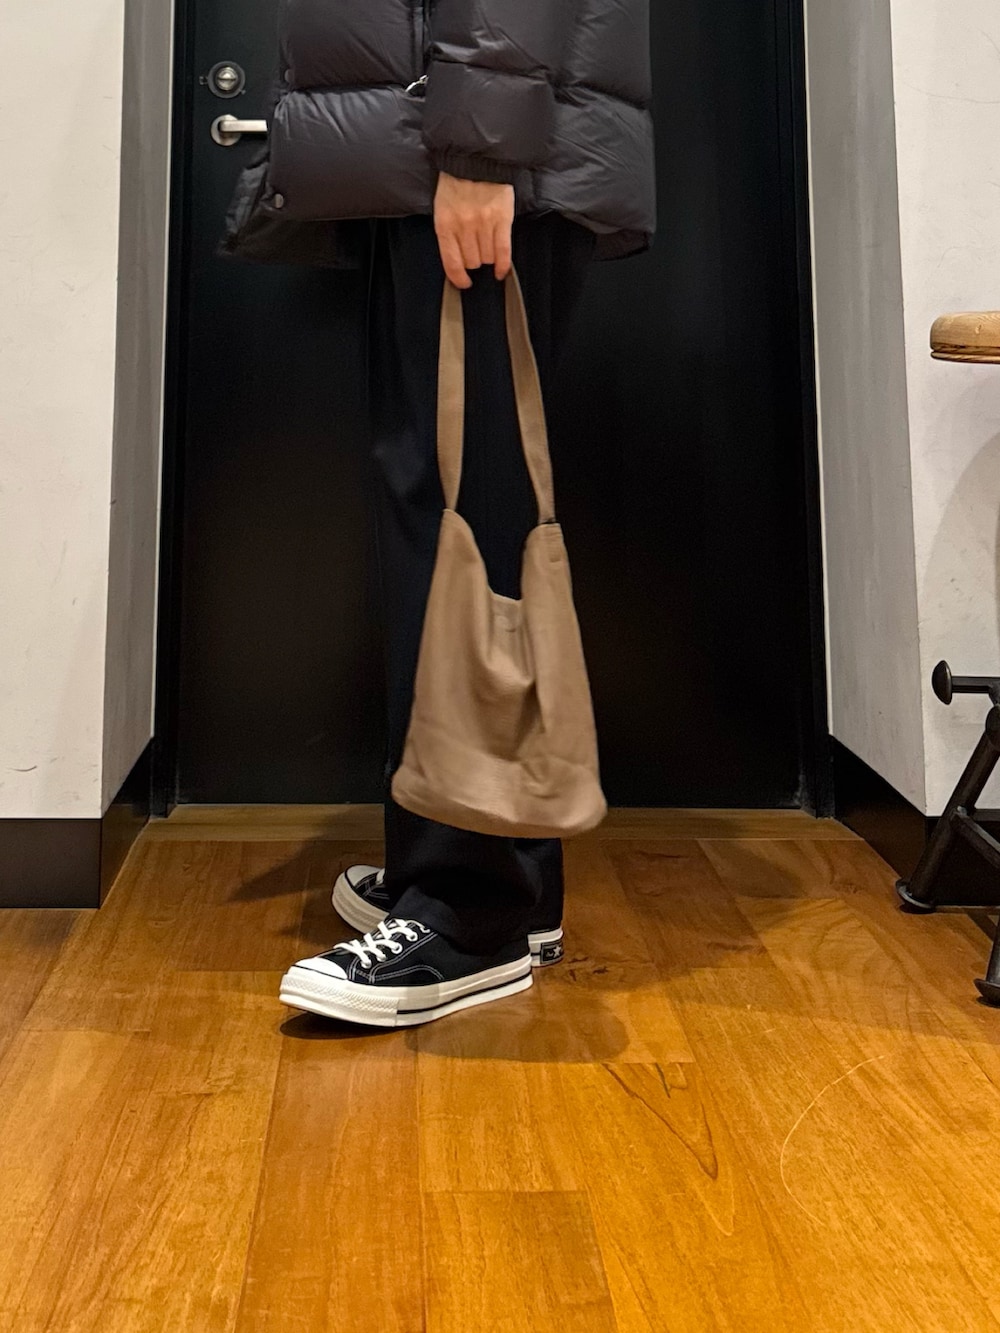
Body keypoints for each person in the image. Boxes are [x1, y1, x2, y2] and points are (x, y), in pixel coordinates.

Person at [262, 0, 656, 1027]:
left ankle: (470, 911)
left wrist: (480, 151)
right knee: (451, 507)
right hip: (443, 148)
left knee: (465, 521)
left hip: (472, 154)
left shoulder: (478, 155)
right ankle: (498, 874)